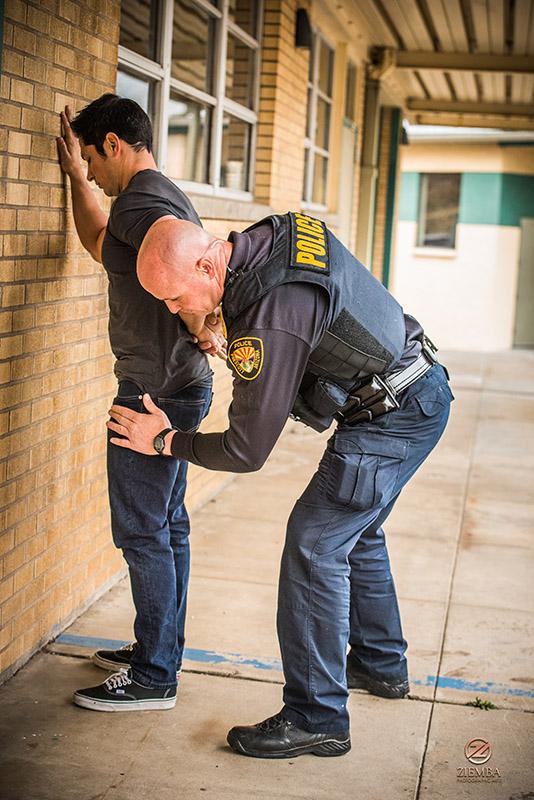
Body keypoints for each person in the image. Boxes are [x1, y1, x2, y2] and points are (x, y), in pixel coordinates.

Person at [106, 212, 453, 756]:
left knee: (314, 544)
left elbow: (246, 451)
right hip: (414, 388)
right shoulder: (268, 239)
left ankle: (317, 716)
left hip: (395, 414)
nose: (174, 312)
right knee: (353, 532)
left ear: (205, 263)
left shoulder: (270, 317)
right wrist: (225, 322)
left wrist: (164, 440)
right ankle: (382, 666)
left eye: (174, 299)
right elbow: (303, 329)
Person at [56, 94, 225, 712]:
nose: (94, 171)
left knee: (141, 533)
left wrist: (205, 314)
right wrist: (77, 179)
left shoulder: (145, 203)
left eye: (92, 160)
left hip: (153, 394)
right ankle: (161, 650)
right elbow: (100, 240)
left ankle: (155, 677)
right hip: (176, 383)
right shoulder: (147, 201)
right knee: (165, 524)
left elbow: (196, 263)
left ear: (113, 144)